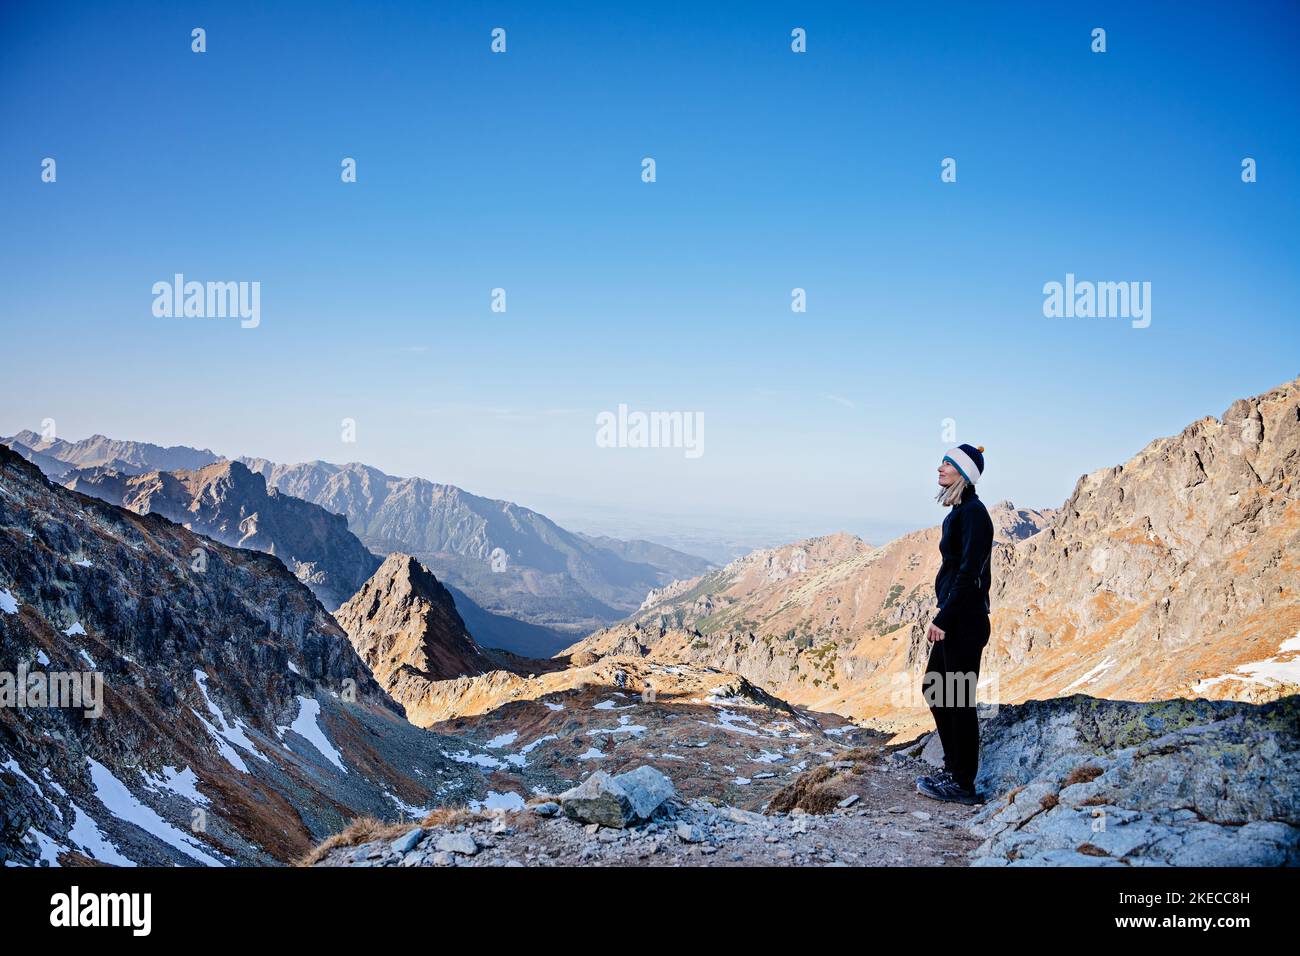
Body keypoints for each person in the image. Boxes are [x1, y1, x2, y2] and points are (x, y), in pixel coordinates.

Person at [916, 443, 994, 805]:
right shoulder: (959, 512)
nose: (939, 468)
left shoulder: (975, 514)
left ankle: (963, 784)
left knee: (958, 699)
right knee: (936, 690)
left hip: (964, 621)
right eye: (942, 462)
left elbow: (969, 573)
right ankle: (954, 768)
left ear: (964, 474)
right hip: (955, 616)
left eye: (948, 464)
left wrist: (943, 618)